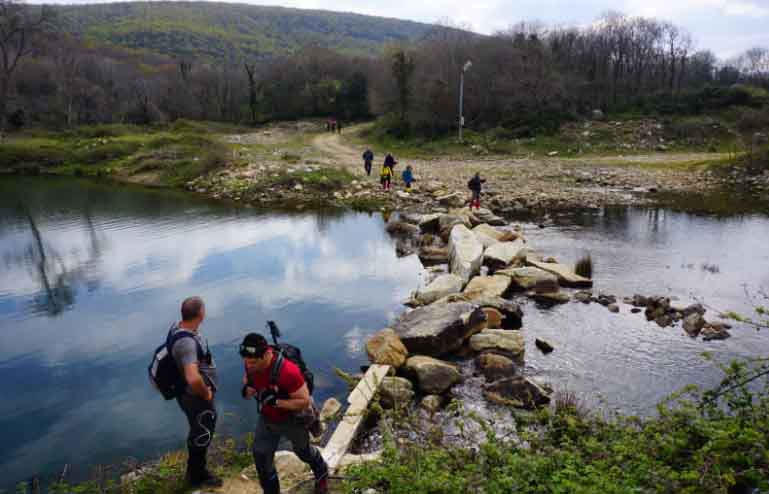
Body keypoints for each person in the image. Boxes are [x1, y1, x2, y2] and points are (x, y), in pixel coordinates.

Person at [241, 333, 329, 494]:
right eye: (246, 361)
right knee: (261, 455)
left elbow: (304, 401)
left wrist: (276, 402)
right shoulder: (250, 361)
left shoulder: (288, 372)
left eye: (253, 362)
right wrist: (248, 388)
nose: (248, 365)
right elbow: (248, 379)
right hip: (267, 418)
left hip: (292, 419)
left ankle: (322, 474)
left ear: (267, 354)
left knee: (303, 452)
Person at [171, 297, 221, 487]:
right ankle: (197, 475)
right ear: (201, 314)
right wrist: (206, 393)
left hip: (186, 394)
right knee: (202, 432)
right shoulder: (187, 343)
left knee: (198, 429)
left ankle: (195, 472)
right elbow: (192, 377)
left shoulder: (178, 327)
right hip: (196, 397)